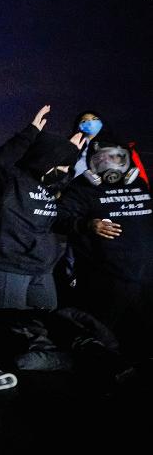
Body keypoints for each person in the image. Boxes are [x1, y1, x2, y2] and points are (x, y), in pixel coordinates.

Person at [55, 139, 152, 360]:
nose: (109, 163)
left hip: (144, 277)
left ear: (126, 159)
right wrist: (86, 225)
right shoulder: (82, 187)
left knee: (142, 337)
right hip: (105, 278)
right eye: (101, 158)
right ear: (92, 162)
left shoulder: (140, 185)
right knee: (104, 338)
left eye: (115, 156)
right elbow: (58, 218)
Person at [0, 104, 83, 311]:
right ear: (46, 161)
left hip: (42, 268)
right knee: (10, 329)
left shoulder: (50, 186)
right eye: (62, 166)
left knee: (44, 323)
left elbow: (58, 215)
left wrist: (71, 151)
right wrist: (30, 133)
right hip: (11, 267)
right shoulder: (12, 181)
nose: (65, 171)